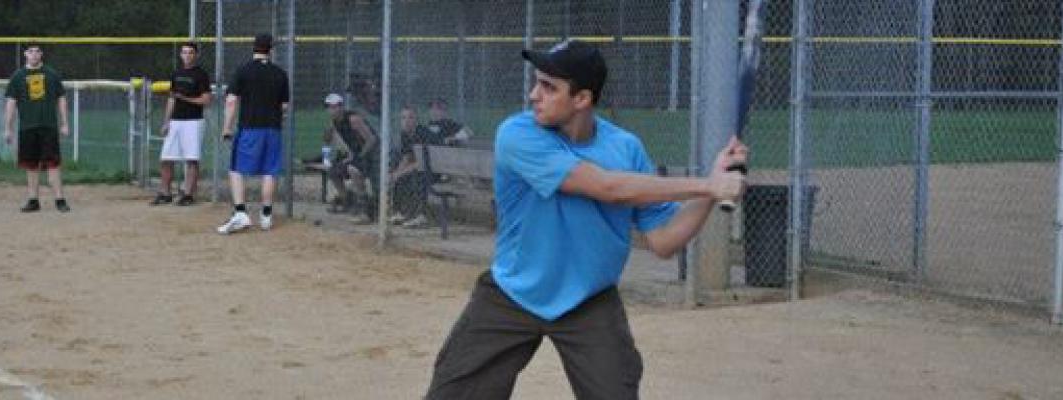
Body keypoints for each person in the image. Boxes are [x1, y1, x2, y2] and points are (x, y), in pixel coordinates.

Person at [423, 40, 748, 399]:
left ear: (582, 99)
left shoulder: (625, 148)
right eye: (536, 82)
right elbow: (607, 188)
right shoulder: (518, 134)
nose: (534, 95)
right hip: (514, 294)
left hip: (589, 300)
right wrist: (706, 183)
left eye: (549, 87)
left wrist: (710, 192)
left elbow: (665, 242)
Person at [217, 34, 290, 234]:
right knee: (270, 171)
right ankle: (266, 215)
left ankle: (240, 212)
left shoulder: (243, 70)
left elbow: (231, 101)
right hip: (273, 129)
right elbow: (284, 106)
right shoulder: (280, 74)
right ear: (271, 49)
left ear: (254, 48)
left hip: (250, 128)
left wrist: (227, 128)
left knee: (236, 169)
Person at [3, 43, 72, 213]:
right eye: (31, 51)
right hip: (27, 127)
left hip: (48, 126)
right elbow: (11, 103)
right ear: (25, 54)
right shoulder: (18, 77)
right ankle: (33, 200)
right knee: (31, 165)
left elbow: (61, 98)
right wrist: (7, 128)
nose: (34, 54)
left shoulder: (51, 74)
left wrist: (64, 123)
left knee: (53, 163)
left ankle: (60, 199)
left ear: (42, 54)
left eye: (37, 51)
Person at [152, 42, 213, 206]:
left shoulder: (201, 75)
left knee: (191, 159)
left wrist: (185, 98)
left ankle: (188, 194)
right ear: (180, 55)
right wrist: (166, 122)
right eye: (184, 52)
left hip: (193, 121)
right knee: (166, 158)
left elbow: (206, 99)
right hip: (176, 121)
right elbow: (172, 99)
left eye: (190, 52)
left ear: (196, 55)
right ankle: (165, 193)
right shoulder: (176, 73)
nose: (187, 55)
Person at [320, 93, 378, 215]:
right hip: (357, 155)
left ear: (341, 107)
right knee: (333, 171)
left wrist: (359, 156)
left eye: (336, 106)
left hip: (371, 154)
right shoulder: (334, 122)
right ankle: (347, 201)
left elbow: (371, 140)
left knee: (353, 169)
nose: (333, 110)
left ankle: (363, 206)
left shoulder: (353, 119)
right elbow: (328, 141)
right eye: (330, 107)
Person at [385, 106, 436, 227]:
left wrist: (400, 172)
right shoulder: (405, 134)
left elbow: (422, 162)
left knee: (415, 178)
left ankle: (421, 216)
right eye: (403, 118)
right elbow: (406, 157)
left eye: (410, 117)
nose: (406, 121)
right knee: (400, 177)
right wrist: (396, 173)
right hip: (422, 168)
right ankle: (401, 213)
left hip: (437, 169)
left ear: (416, 120)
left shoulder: (423, 134)